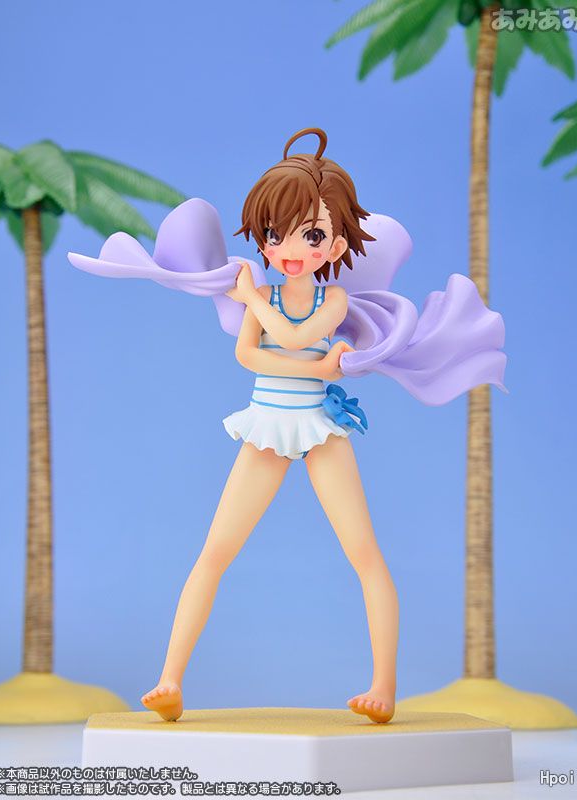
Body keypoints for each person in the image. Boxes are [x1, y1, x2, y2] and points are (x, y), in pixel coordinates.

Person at [140, 128, 400, 724]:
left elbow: (292, 336)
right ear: (261, 237)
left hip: (320, 428)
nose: (290, 248)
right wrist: (314, 366)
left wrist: (254, 302)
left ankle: (384, 685)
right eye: (275, 234)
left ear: (336, 244)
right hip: (266, 425)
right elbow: (247, 357)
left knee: (364, 553)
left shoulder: (331, 301)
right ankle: (169, 678)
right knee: (214, 551)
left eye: (312, 235)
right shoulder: (264, 296)